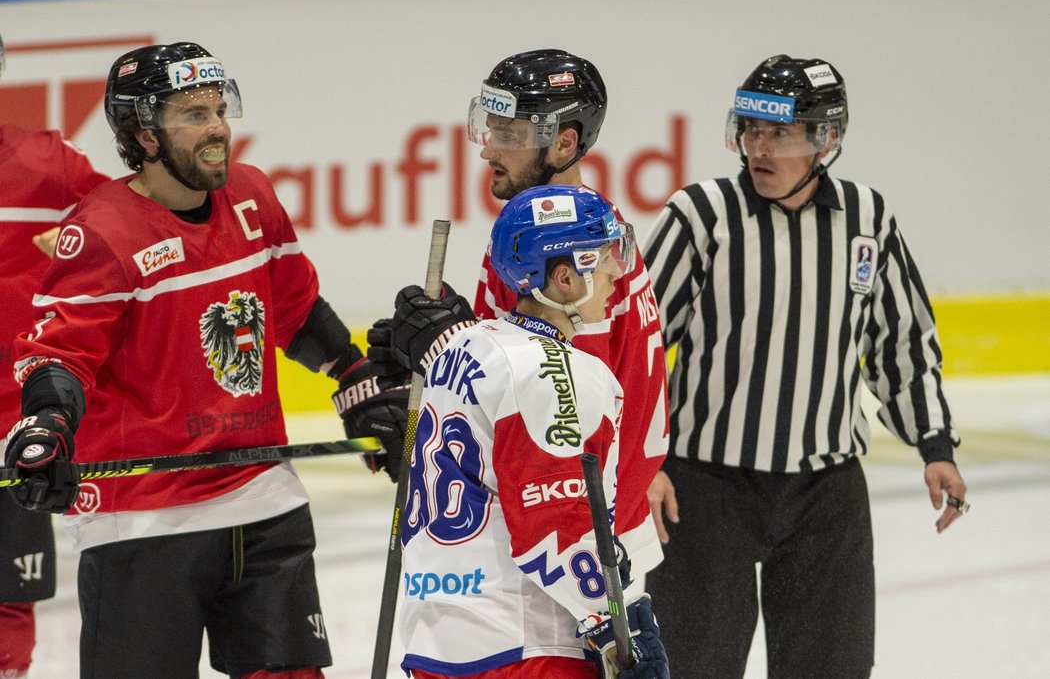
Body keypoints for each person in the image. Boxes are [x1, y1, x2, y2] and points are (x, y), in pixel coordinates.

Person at [2, 42, 405, 678]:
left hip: (265, 498)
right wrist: (46, 426)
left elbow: (295, 308)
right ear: (146, 135)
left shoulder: (253, 195)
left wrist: (355, 380)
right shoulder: (102, 232)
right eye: (194, 113)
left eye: (220, 108)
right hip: (144, 519)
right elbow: (60, 354)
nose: (218, 127)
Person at [642, 54, 970, 678]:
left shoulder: (867, 219)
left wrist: (935, 445)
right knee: (691, 667)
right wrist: (643, 462)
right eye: (751, 129)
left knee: (833, 668)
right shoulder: (701, 215)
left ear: (827, 139)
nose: (758, 148)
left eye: (780, 134)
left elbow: (901, 340)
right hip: (707, 490)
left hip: (826, 493)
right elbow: (641, 346)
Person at [371, 49, 669, 578]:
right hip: (580, 520)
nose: (487, 150)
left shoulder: (574, 248)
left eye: (508, 136)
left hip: (583, 543)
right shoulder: (543, 228)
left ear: (564, 142)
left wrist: (446, 344)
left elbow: (560, 405)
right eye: (489, 129)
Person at [398, 184, 668, 679]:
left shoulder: (460, 346)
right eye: (606, 257)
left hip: (436, 639)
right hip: (524, 647)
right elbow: (555, 527)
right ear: (565, 277)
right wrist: (616, 624)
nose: (617, 273)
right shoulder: (555, 372)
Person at [0, 33, 109, 679]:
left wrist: (83, 237)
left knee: (9, 604)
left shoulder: (45, 163)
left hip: (13, 426)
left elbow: (129, 220)